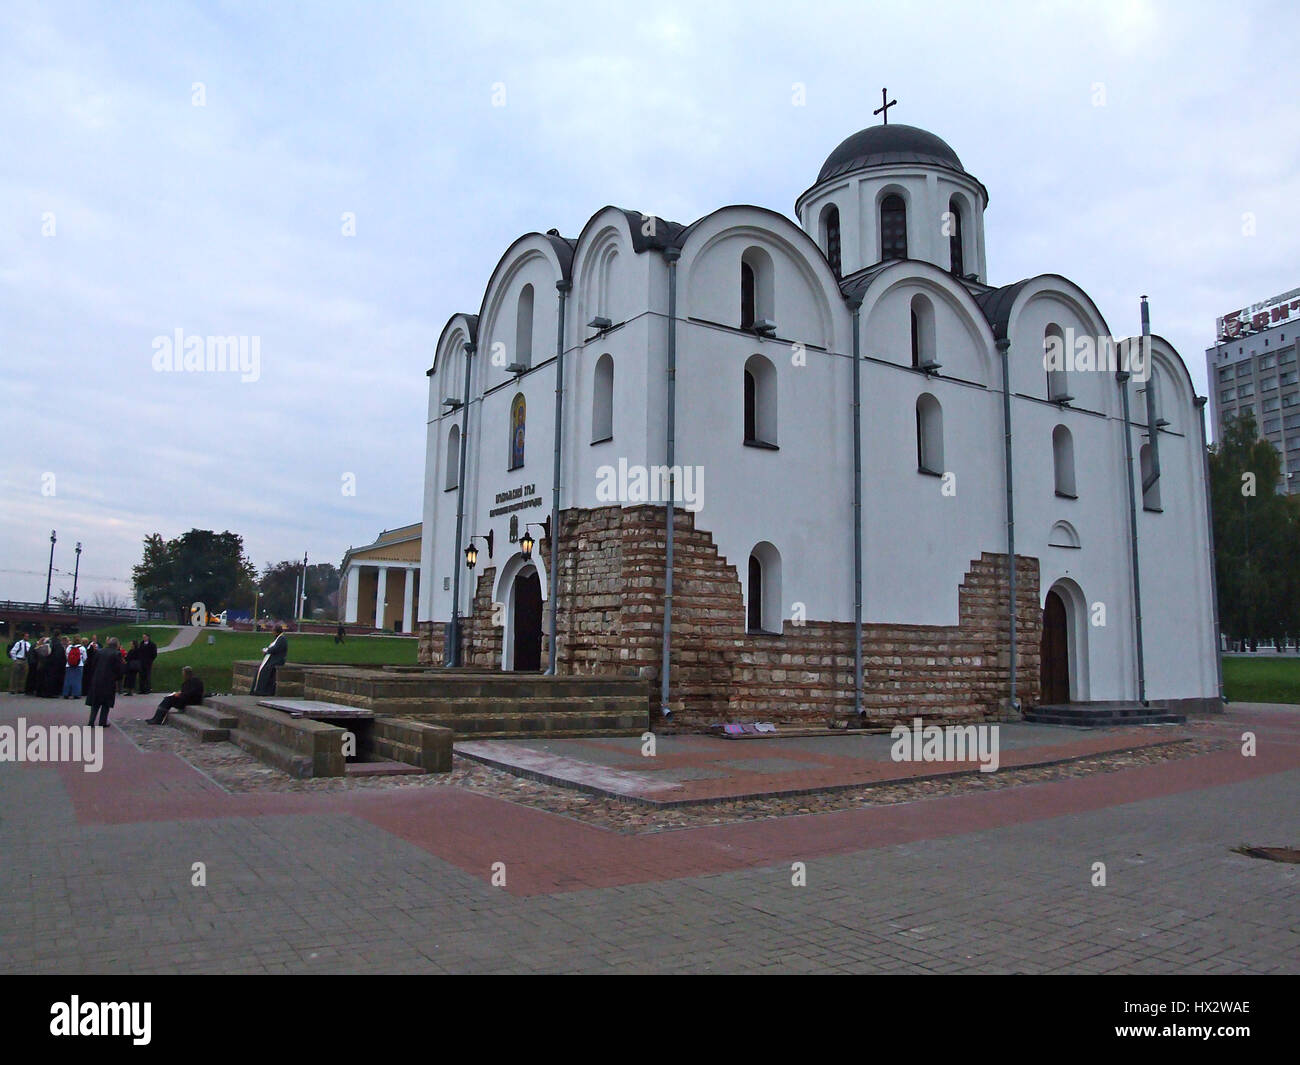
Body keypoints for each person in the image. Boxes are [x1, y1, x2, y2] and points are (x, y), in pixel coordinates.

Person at [86, 637, 123, 727]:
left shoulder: (99, 651)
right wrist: (117, 678)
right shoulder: (116, 654)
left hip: (97, 679)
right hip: (109, 681)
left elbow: (93, 664)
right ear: (116, 645)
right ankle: (102, 722)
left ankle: (91, 721)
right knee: (106, 703)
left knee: (95, 702)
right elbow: (118, 669)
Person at [251, 624, 288, 695]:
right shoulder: (278, 638)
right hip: (274, 658)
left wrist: (267, 650)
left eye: (273, 630)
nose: (272, 632)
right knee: (261, 669)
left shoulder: (282, 639)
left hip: (278, 660)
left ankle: (263, 691)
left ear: (276, 632)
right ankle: (258, 689)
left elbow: (275, 649)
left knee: (266, 669)